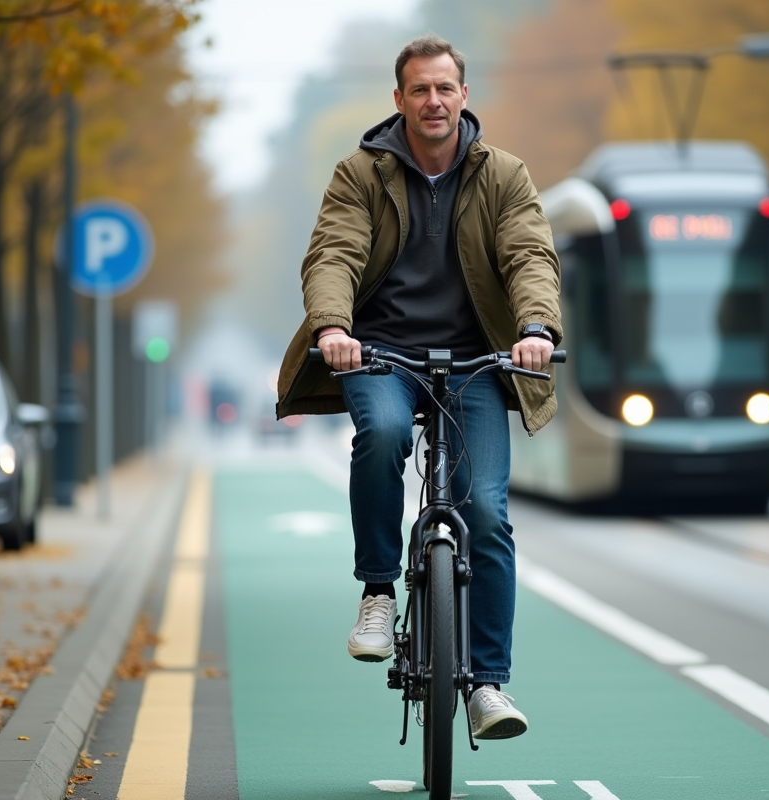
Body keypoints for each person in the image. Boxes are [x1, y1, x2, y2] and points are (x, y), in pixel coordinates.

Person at [275, 35, 561, 740]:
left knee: (488, 514)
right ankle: (377, 590)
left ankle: (489, 683)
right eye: (419, 90)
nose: (433, 101)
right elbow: (334, 252)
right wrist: (333, 328)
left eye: (445, 89)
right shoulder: (360, 174)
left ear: (465, 97)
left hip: (476, 363)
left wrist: (535, 328)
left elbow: (528, 253)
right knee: (382, 436)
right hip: (380, 355)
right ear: (399, 100)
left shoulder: (504, 175)